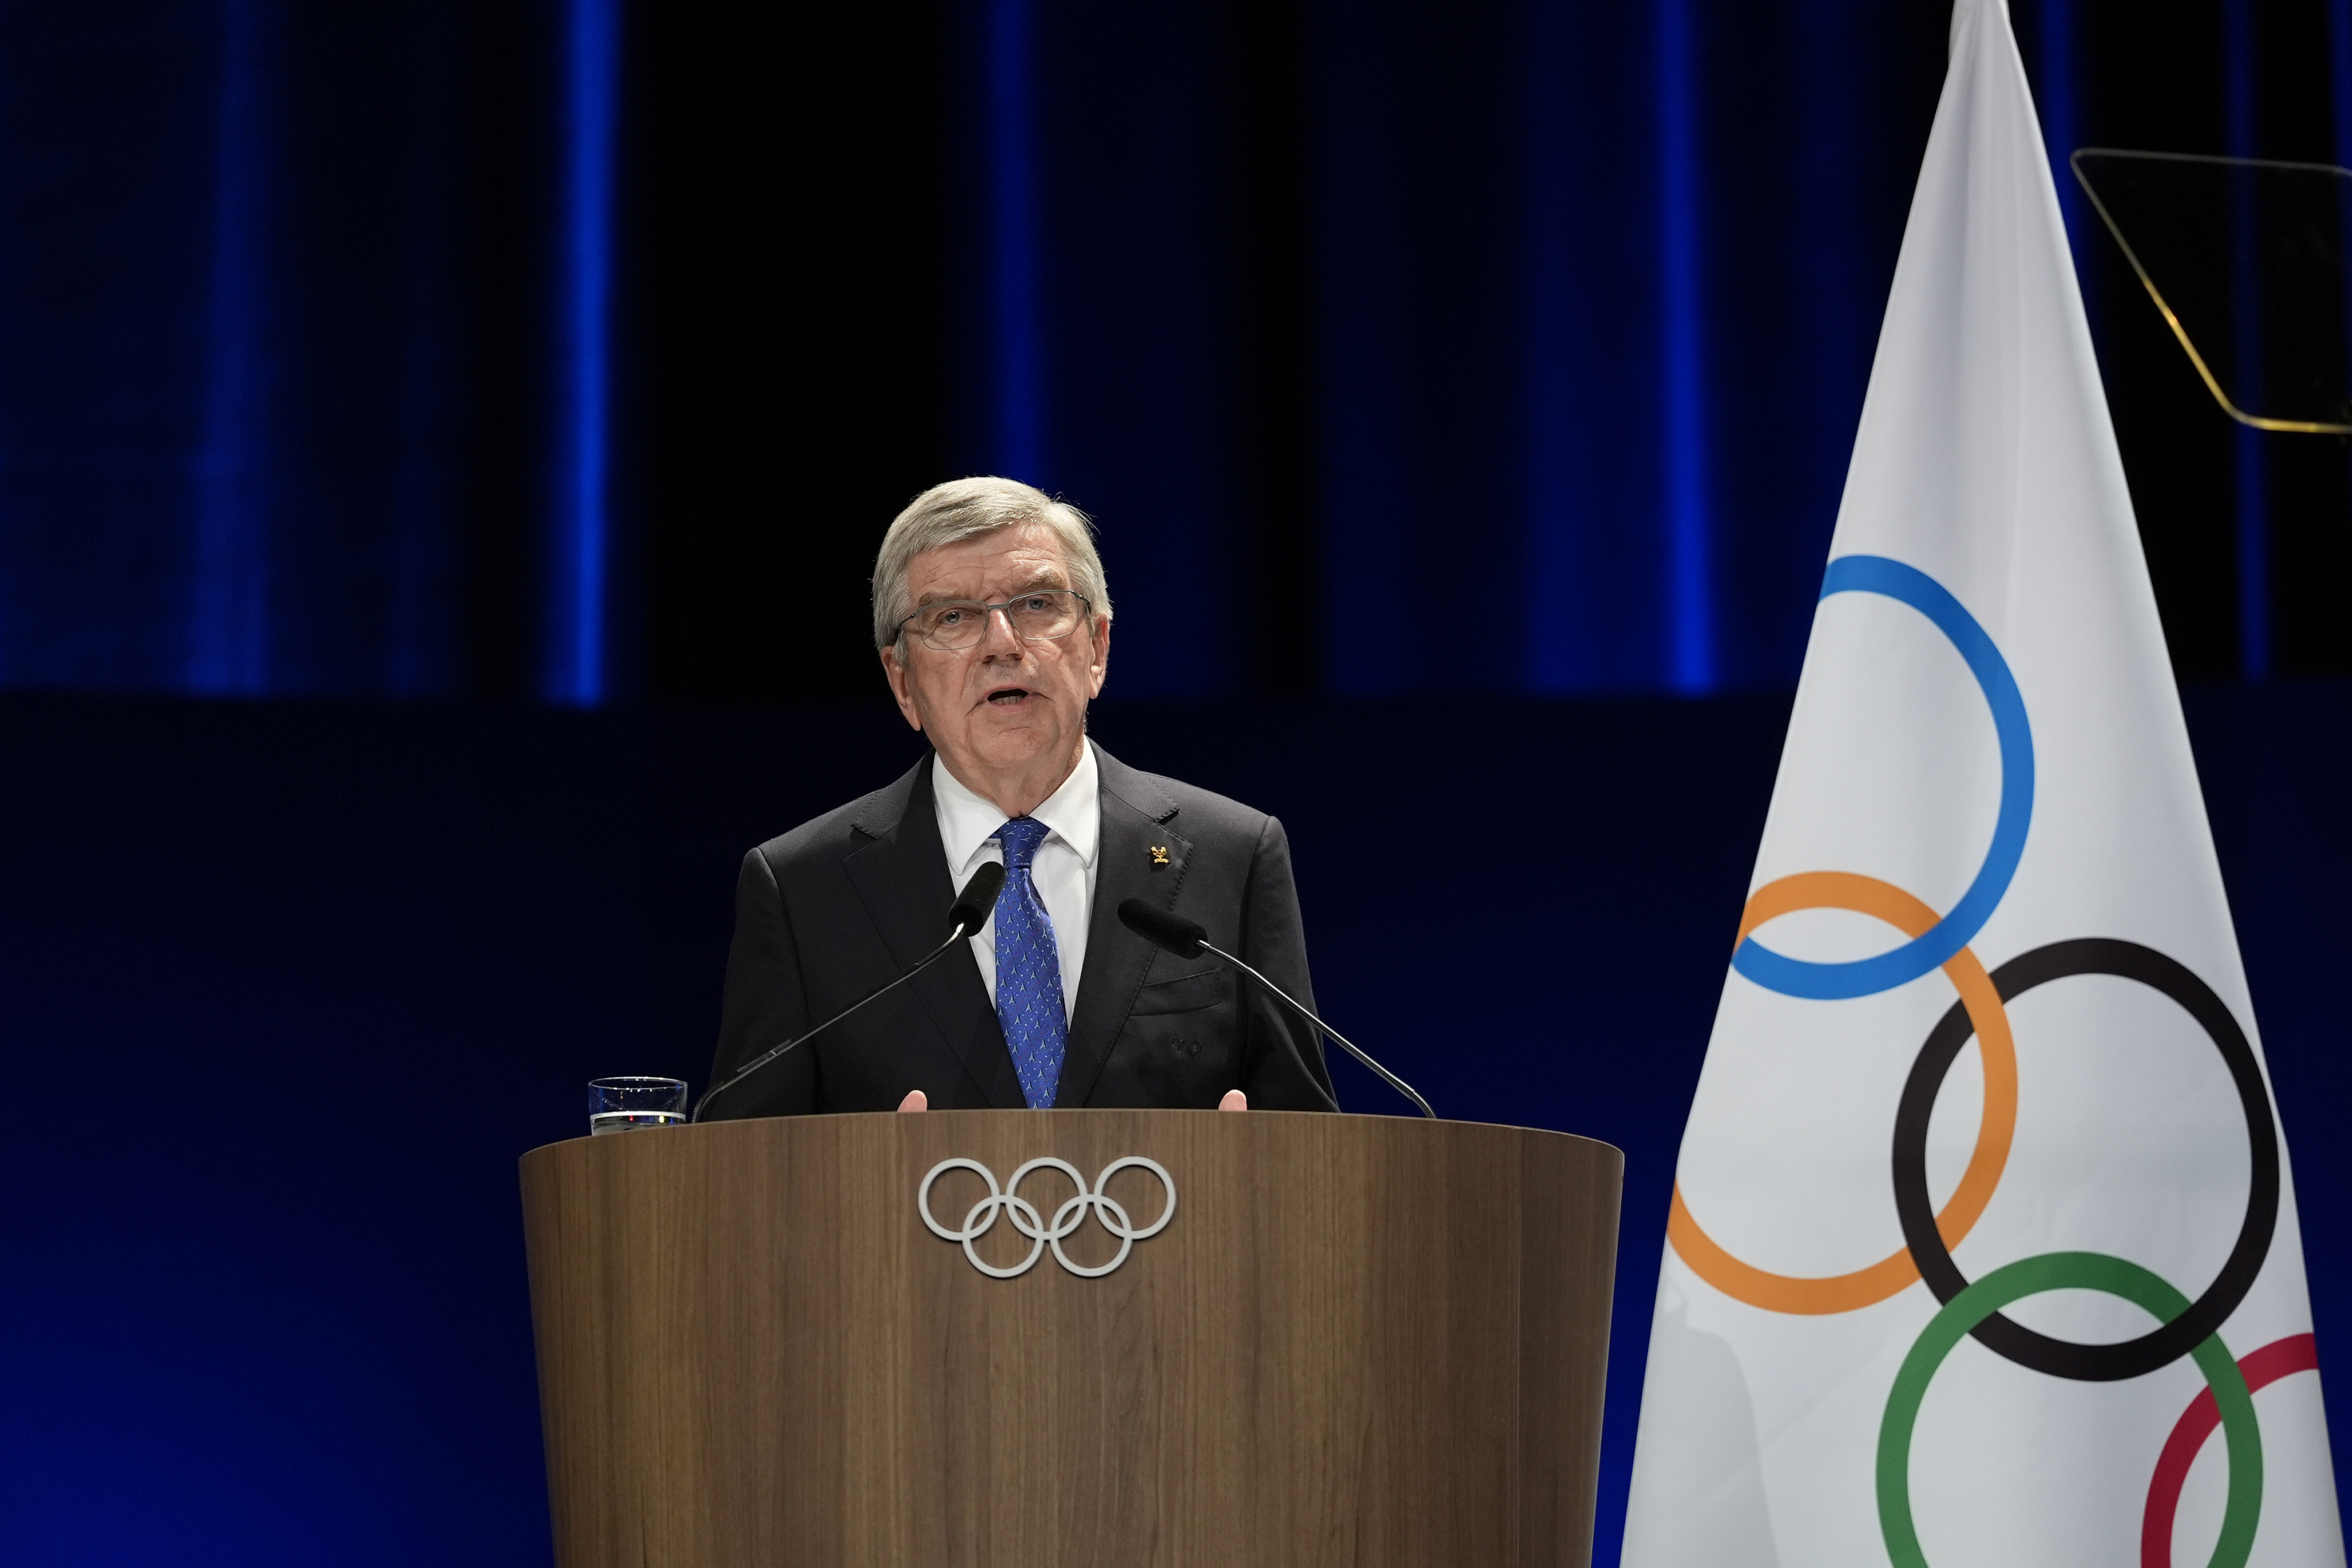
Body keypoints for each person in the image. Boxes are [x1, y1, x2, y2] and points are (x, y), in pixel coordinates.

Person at [702, 476, 1339, 1118]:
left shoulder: (1235, 856)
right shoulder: (802, 890)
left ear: (1098, 648)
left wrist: (1255, 1175)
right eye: (952, 617)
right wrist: (871, 1192)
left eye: (1036, 605)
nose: (1003, 644)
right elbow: (745, 1177)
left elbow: (1317, 1157)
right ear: (902, 682)